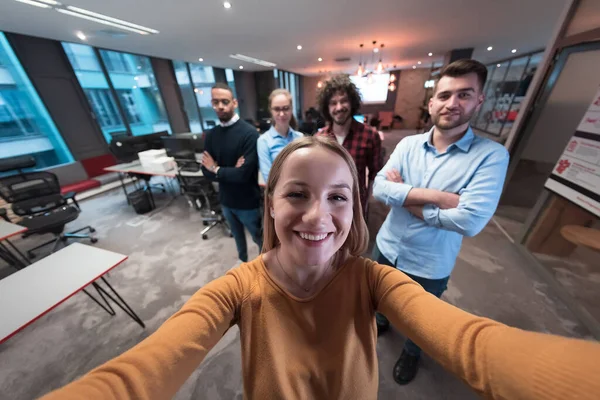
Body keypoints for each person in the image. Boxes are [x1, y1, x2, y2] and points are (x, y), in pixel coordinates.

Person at [41, 136, 600, 400]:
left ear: (355, 207)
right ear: (271, 204)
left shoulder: (374, 278)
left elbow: (475, 345)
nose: (319, 216)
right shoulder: (236, 289)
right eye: (298, 195)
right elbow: (142, 371)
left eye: (338, 197)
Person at [373, 59, 510, 385]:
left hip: (430, 261)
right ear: (431, 102)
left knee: (421, 320)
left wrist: (406, 199)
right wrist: (438, 197)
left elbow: (471, 220)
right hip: (388, 245)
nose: (452, 104)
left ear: (479, 100)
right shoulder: (407, 145)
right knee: (380, 294)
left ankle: (411, 352)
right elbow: (380, 188)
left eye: (464, 95)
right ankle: (380, 320)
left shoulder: (491, 156)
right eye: (445, 95)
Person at [200, 83, 262, 262]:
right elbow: (205, 171)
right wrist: (228, 170)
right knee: (238, 241)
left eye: (225, 101)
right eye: (215, 102)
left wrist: (216, 168)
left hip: (248, 202)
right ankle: (243, 266)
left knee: (260, 239)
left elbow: (243, 175)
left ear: (234, 103)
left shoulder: (249, 134)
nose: (220, 106)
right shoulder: (211, 135)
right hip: (226, 201)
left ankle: (266, 272)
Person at [316, 75, 382, 218]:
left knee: (357, 240)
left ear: (352, 102)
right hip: (327, 205)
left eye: (343, 101)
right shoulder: (319, 139)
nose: (339, 107)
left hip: (356, 204)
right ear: (327, 108)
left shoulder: (370, 135)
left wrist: (367, 201)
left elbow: (375, 173)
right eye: (333, 103)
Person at [257, 89, 304, 182]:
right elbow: (269, 179)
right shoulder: (263, 141)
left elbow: (305, 169)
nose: (282, 114)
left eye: (286, 108)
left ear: (291, 109)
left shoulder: (300, 137)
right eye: (277, 109)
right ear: (271, 110)